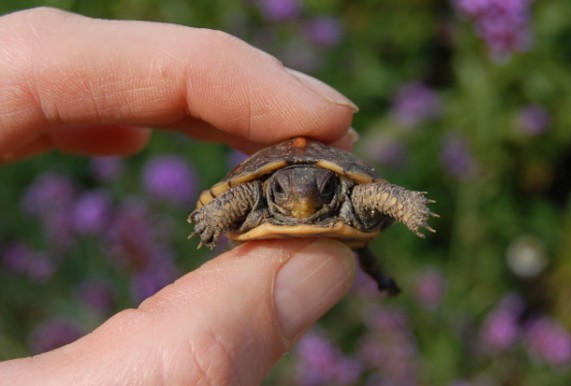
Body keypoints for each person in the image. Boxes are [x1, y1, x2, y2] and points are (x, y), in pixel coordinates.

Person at [0, 7, 359, 385]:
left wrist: (401, 204)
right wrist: (211, 219)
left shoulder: (341, 193)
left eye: (320, 190)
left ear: (331, 188)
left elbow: (372, 193)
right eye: (284, 191)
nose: (301, 201)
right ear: (273, 188)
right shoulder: (256, 194)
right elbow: (232, 199)